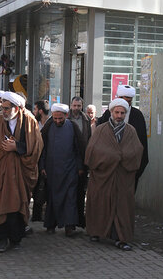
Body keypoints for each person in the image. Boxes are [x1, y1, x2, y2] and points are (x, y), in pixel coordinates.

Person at [0, 92, 43, 252]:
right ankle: (1, 239)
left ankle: (15, 239)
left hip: (20, 173)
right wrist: (4, 149)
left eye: (7, 108)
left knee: (17, 204)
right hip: (0, 173)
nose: (4, 111)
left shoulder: (29, 122)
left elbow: (36, 147)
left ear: (17, 108)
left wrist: (17, 147)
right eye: (3, 108)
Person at [85, 98, 143, 251]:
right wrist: (111, 156)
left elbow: (137, 151)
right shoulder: (101, 129)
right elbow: (93, 151)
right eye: (116, 112)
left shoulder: (131, 130)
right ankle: (96, 232)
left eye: (122, 113)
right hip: (103, 176)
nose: (119, 115)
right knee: (101, 203)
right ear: (111, 112)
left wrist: (122, 156)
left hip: (123, 177)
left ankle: (121, 238)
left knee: (122, 207)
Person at [39, 103, 85, 236]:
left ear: (65, 115)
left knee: (70, 198)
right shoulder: (48, 127)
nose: (57, 121)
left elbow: (79, 149)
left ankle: (69, 227)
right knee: (52, 198)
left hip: (70, 169)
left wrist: (80, 167)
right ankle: (50, 225)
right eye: (55, 118)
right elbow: (42, 149)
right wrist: (42, 166)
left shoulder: (73, 127)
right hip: (51, 170)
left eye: (60, 118)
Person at [97, 85, 149, 191]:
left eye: (128, 101)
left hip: (129, 169)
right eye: (123, 100)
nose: (119, 115)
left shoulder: (137, 115)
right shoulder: (108, 114)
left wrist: (136, 171)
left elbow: (141, 144)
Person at [67, 96, 91, 228]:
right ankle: (70, 222)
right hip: (69, 161)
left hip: (83, 160)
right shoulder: (65, 118)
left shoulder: (86, 120)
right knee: (70, 192)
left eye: (79, 106)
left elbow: (89, 139)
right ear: (71, 105)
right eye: (74, 105)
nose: (76, 108)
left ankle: (80, 220)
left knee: (81, 192)